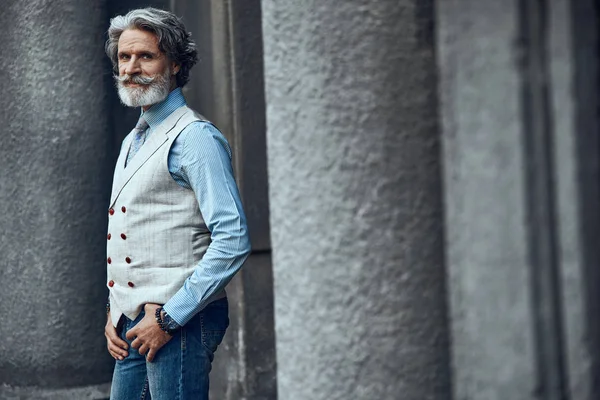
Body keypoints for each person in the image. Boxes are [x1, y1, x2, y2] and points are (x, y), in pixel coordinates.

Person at [103, 7, 251, 399]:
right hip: (131, 322)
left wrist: (169, 319)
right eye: (124, 57)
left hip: (179, 322)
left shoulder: (195, 137)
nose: (131, 67)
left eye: (146, 56)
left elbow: (233, 238)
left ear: (175, 64)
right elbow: (132, 233)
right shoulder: (132, 141)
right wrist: (113, 310)